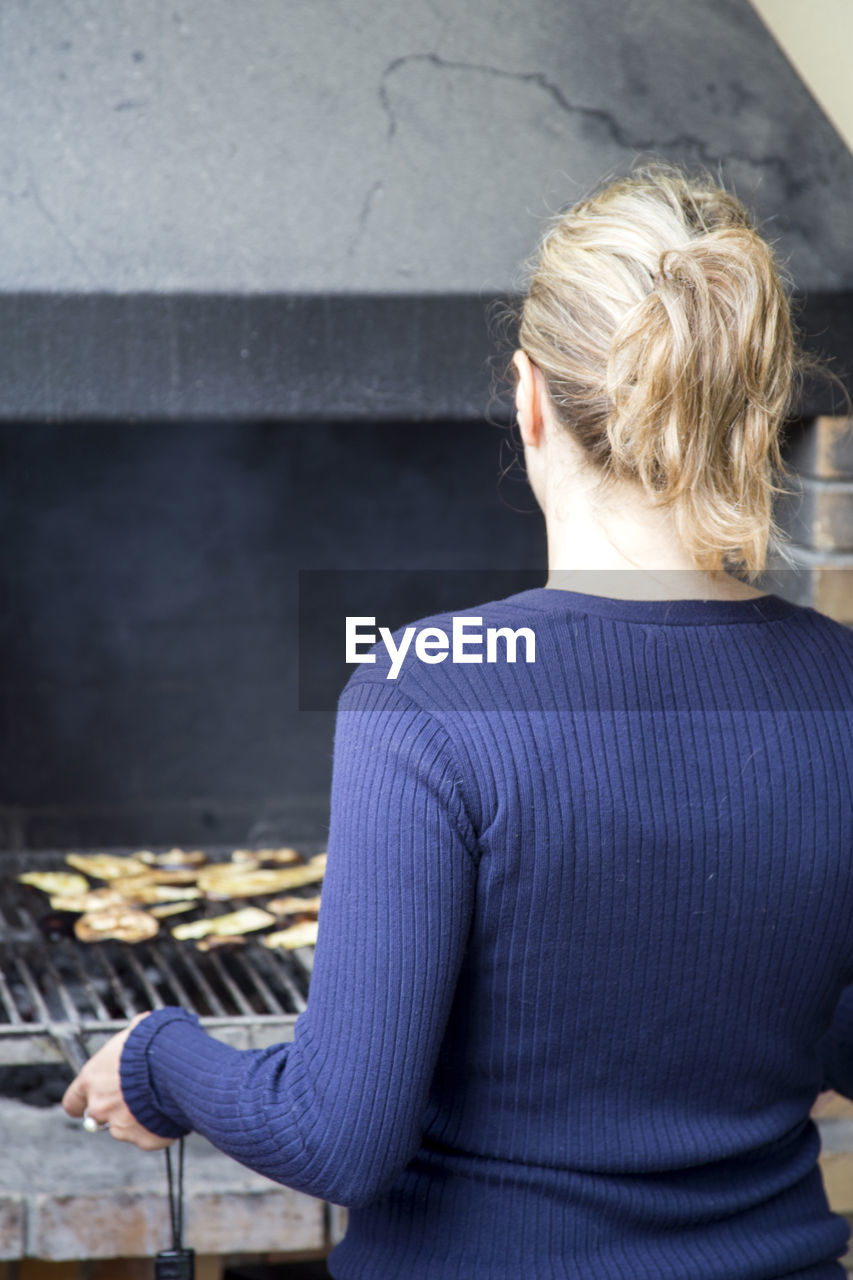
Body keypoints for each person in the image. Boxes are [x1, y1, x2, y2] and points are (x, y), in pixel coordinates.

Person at [63, 159, 853, 1279]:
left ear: (527, 396)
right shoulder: (839, 683)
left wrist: (158, 1057)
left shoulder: (428, 687)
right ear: (750, 403)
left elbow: (338, 1132)